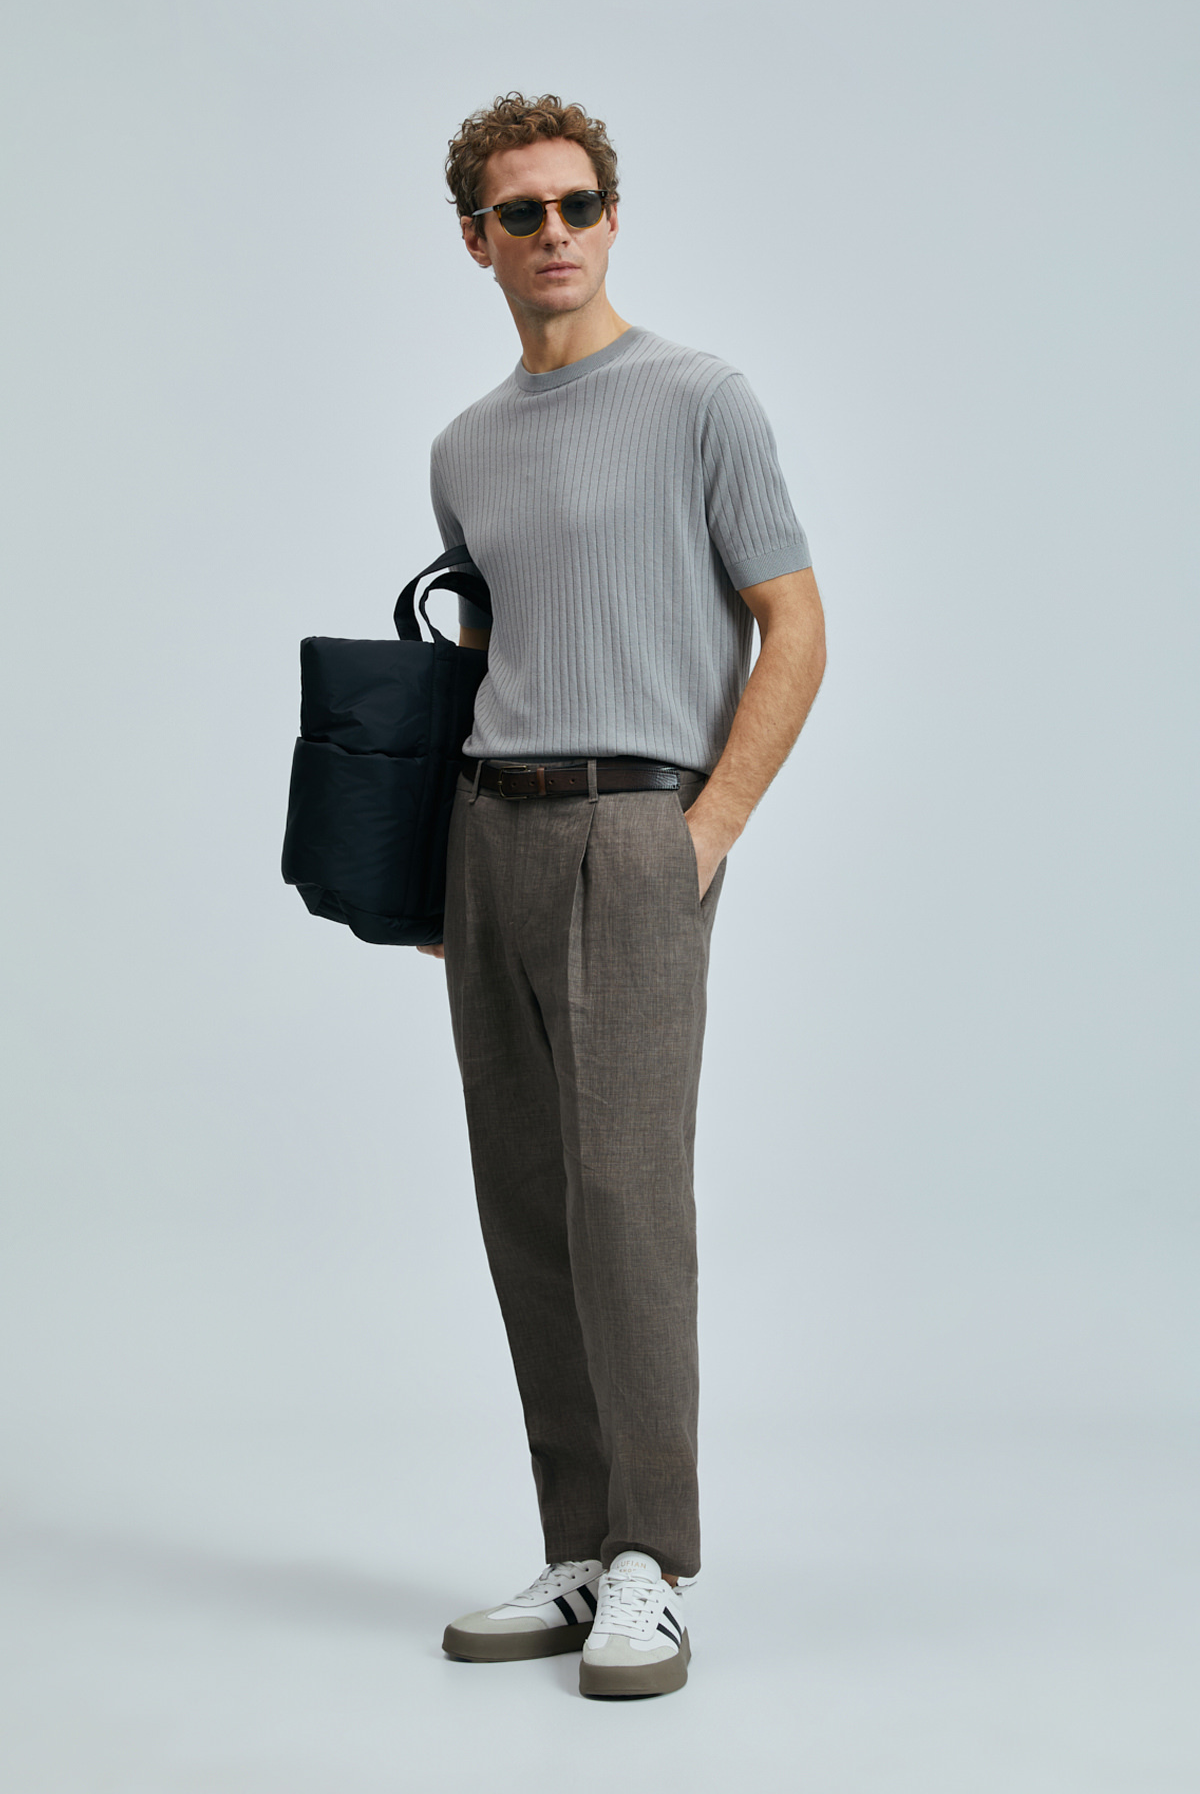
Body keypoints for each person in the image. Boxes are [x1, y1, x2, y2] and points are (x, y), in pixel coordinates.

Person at [420, 92, 826, 1698]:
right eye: (522, 212)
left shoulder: (701, 400)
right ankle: (581, 1547)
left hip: (637, 829)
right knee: (527, 1199)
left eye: (579, 203)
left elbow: (795, 624)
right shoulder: (463, 447)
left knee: (627, 1199)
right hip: (488, 833)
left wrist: (703, 832)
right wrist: (437, 873)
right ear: (477, 239)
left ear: (610, 215)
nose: (557, 233)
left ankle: (655, 1559)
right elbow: (481, 654)